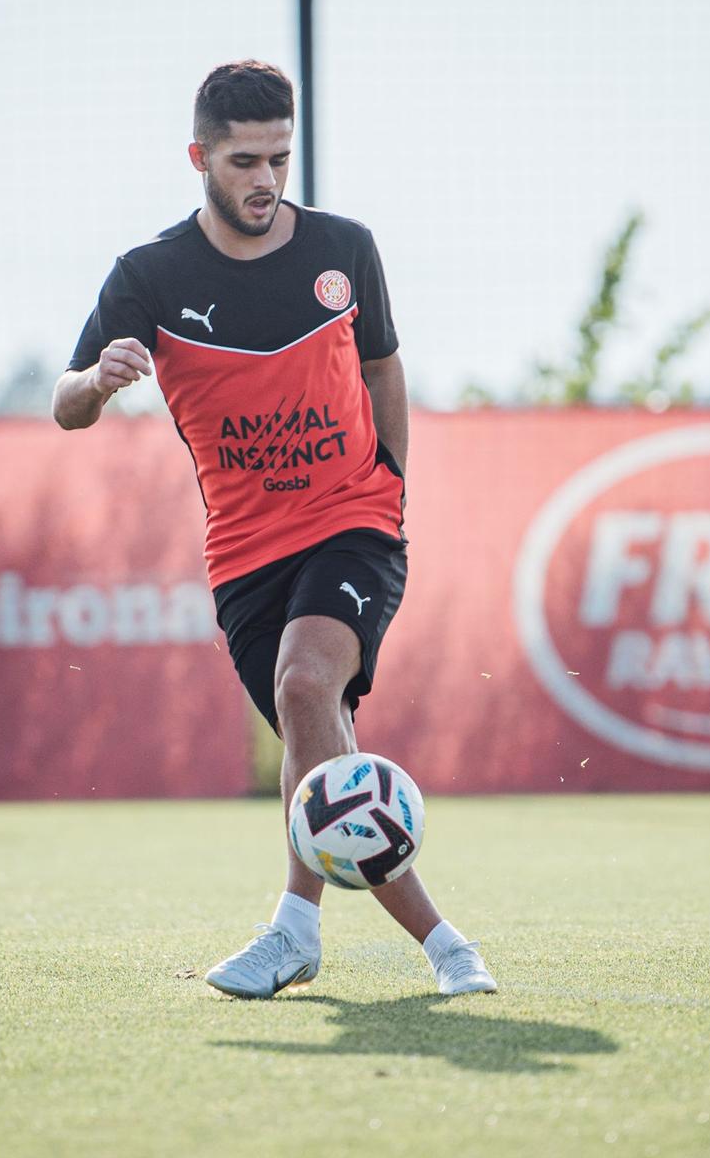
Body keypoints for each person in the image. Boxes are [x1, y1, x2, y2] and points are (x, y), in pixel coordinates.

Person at [53, 62, 494, 998]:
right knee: (318, 727)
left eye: (280, 159)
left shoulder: (344, 249)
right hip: (245, 555)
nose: (266, 179)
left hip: (353, 520)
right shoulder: (150, 276)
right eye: (245, 160)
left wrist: (393, 489)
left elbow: (382, 368)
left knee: (306, 686)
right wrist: (97, 381)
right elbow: (64, 402)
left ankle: (400, 941)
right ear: (199, 158)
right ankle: (372, 935)